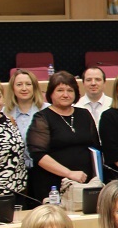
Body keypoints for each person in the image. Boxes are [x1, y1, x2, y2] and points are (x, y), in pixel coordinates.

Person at [26, 70, 101, 204]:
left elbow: (95, 148)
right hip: (53, 185)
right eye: (60, 90)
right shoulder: (42, 118)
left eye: (70, 90)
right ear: (51, 93)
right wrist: (69, 173)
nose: (65, 94)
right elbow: (38, 155)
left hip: (85, 182)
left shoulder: (84, 114)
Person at [6, 68, 47, 171]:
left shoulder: (47, 111)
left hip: (42, 168)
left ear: (34, 87)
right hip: (13, 171)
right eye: (19, 84)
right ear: (13, 88)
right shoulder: (4, 113)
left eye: (28, 84)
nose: (24, 88)